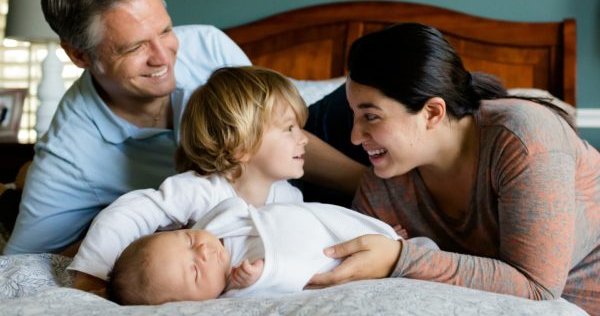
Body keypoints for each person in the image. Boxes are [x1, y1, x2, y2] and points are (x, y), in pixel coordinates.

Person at [4, 0, 366, 257]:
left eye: (165, 30)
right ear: (80, 55)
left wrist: (369, 184)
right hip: (243, 206)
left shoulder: (207, 45)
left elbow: (280, 131)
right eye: (134, 47)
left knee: (372, 92)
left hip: (290, 159)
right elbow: (24, 262)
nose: (164, 58)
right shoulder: (70, 153)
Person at [307, 23, 600, 315]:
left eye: (371, 117)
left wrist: (400, 258)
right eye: (354, 116)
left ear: (432, 113)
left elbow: (538, 287)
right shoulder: (383, 182)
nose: (355, 137)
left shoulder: (523, 138)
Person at [69, 66, 429, 300]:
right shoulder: (200, 189)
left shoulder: (287, 196)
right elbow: (131, 213)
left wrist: (372, 235)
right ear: (241, 145)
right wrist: (92, 278)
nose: (303, 140)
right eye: (289, 129)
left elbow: (311, 241)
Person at [108, 197, 434, 305]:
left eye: (190, 241)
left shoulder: (219, 223)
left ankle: (397, 244)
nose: (205, 252)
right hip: (334, 260)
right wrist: (259, 276)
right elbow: (294, 283)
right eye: (194, 271)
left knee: (420, 249)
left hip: (332, 228)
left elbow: (246, 209)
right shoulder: (236, 290)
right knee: (422, 266)